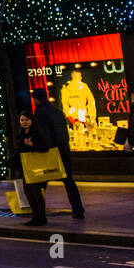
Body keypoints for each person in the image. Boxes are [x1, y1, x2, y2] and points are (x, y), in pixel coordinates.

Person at [30, 88, 84, 219]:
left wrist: (40, 147)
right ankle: (78, 208)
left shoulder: (40, 112)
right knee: (68, 180)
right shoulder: (57, 111)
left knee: (40, 182)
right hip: (63, 149)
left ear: (36, 99)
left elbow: (44, 133)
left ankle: (38, 211)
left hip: (51, 151)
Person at [14, 111, 54, 226]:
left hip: (37, 167)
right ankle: (35, 216)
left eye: (27, 120)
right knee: (28, 192)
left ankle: (41, 217)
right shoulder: (21, 133)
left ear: (32, 120)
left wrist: (32, 145)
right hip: (26, 167)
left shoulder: (37, 132)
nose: (24, 122)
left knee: (36, 192)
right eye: (22, 120)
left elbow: (45, 148)